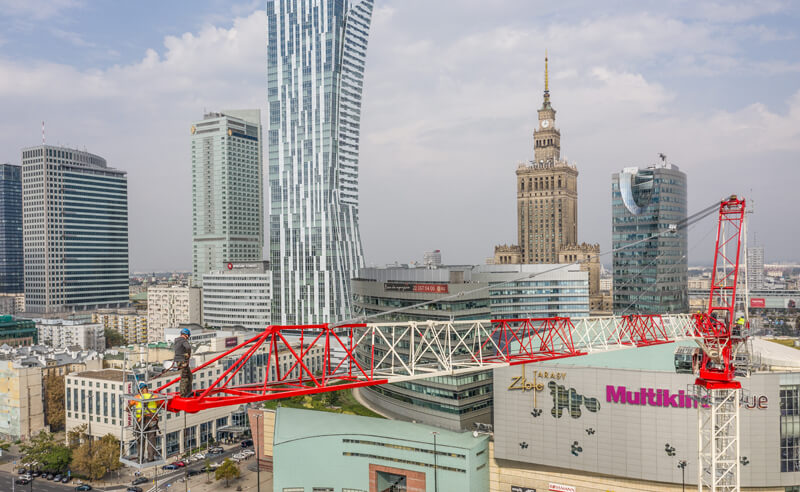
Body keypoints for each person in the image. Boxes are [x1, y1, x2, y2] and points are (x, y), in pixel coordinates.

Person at [128, 381, 159, 462]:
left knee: (141, 441)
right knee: (151, 440)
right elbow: (159, 404)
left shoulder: (137, 397)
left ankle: (140, 459)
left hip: (141, 421)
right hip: (152, 421)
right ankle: (150, 458)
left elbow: (129, 406)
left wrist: (128, 408)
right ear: (146, 389)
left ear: (140, 390)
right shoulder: (154, 396)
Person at [173, 327, 193, 397]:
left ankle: (188, 392)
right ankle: (183, 394)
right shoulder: (183, 340)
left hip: (179, 361)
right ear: (186, 335)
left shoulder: (176, 340)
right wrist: (188, 354)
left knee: (189, 376)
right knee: (185, 377)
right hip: (183, 361)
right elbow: (188, 347)